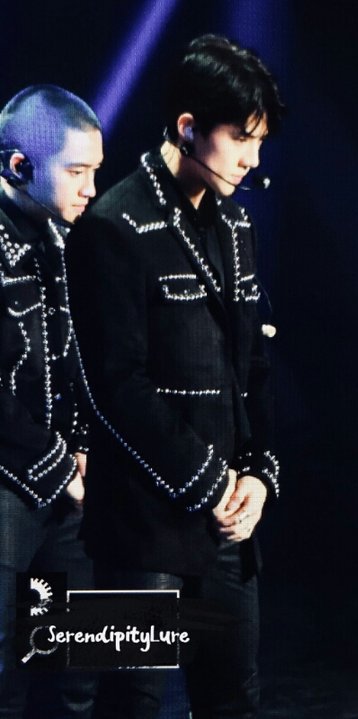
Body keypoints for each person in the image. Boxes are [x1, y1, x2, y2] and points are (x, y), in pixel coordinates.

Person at [65, 35, 284, 718]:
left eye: (259, 141)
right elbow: (114, 387)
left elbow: (253, 369)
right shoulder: (111, 224)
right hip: (138, 526)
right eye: (240, 138)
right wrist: (212, 481)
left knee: (233, 701)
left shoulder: (238, 226)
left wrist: (257, 475)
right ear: (188, 127)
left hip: (227, 530)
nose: (251, 159)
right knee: (127, 704)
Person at [0, 84, 103, 718]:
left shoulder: (64, 238)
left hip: (67, 486)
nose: (91, 189)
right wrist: (58, 463)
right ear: (19, 165)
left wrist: (83, 444)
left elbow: (77, 355)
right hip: (9, 483)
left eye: (96, 171)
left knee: (78, 669)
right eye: (76, 172)